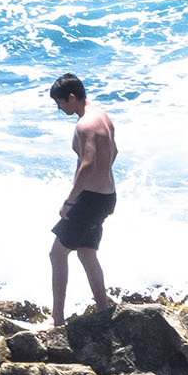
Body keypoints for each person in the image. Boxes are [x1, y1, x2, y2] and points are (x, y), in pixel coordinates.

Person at [47, 73, 118, 326]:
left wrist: (70, 201)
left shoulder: (85, 124)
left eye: (60, 103)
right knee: (87, 253)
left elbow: (86, 165)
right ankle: (103, 311)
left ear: (73, 97)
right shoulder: (103, 117)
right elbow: (114, 152)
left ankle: (57, 319)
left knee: (57, 254)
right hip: (107, 196)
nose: (59, 108)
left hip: (90, 199)